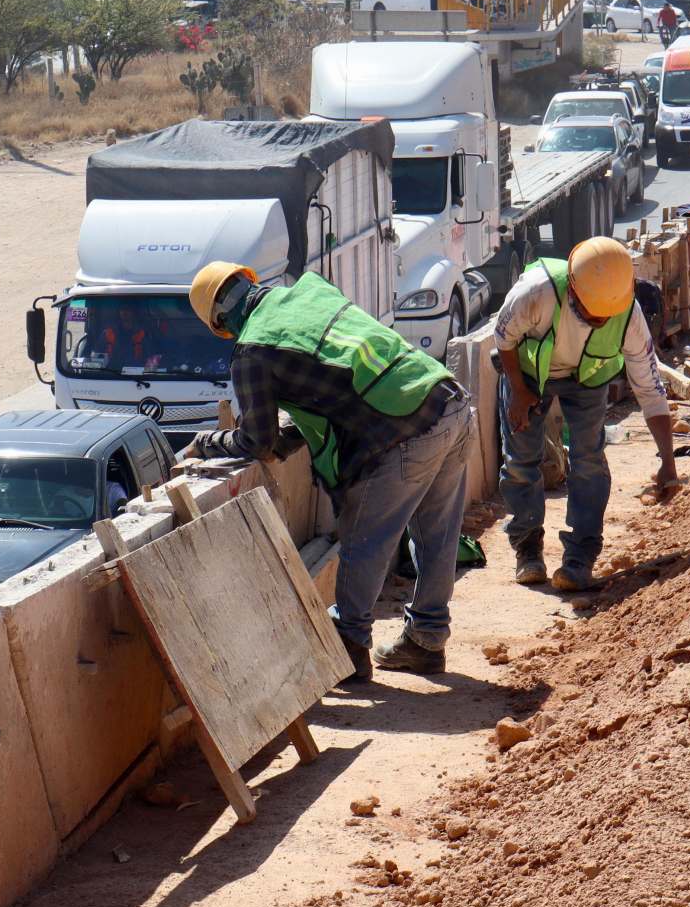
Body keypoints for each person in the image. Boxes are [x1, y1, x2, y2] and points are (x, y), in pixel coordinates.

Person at [186, 261, 475, 682]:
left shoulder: (250, 352)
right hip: (448, 399)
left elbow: (256, 442)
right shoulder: (309, 291)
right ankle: (427, 640)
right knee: (437, 535)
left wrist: (207, 443)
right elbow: (334, 374)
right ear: (249, 281)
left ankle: (349, 644)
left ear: (220, 325)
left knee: (365, 538)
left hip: (405, 429)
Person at [494, 236, 676, 590]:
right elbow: (503, 338)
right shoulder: (536, 291)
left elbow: (650, 391)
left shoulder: (629, 318)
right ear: (573, 289)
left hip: (588, 381)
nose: (597, 318)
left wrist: (668, 461)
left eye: (603, 315)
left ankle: (580, 558)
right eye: (589, 310)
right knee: (521, 459)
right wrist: (518, 391)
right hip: (530, 375)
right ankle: (527, 550)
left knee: (588, 459)